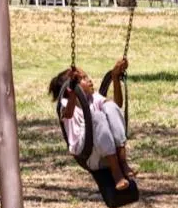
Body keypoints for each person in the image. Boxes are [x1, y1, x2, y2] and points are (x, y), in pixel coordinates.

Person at [49, 57, 137, 190]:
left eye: (87, 76)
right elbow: (68, 114)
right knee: (97, 116)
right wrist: (73, 91)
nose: (90, 80)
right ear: (71, 88)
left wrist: (115, 77)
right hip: (88, 154)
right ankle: (116, 172)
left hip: (107, 150)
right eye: (83, 78)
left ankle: (123, 161)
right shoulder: (65, 103)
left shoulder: (92, 97)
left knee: (110, 106)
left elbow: (117, 105)